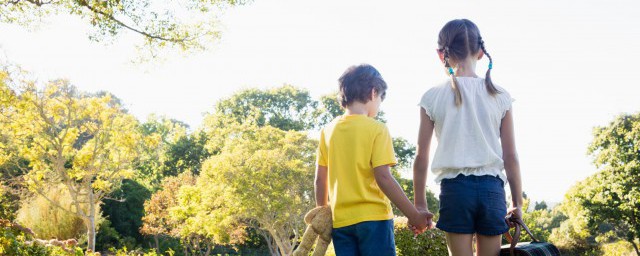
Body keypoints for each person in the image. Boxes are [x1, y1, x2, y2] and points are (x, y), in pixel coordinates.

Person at [412, 19, 524, 256]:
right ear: (481, 52)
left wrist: (419, 205)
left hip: (455, 191)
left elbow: (421, 156)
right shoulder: (501, 96)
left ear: (441, 54)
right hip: (492, 191)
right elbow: (511, 155)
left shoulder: (432, 97)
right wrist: (517, 203)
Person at [315, 64, 431, 256]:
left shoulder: (327, 131)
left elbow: (320, 179)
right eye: (380, 99)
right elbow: (383, 178)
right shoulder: (377, 129)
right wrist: (414, 215)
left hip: (341, 223)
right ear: (373, 92)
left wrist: (322, 212)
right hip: (374, 220)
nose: (378, 105)